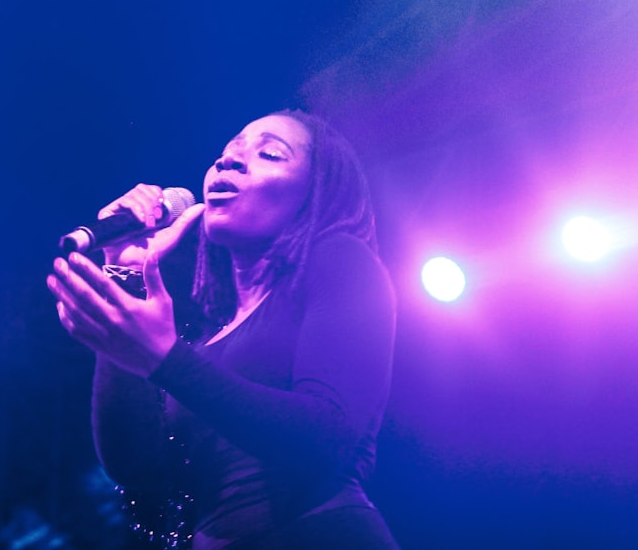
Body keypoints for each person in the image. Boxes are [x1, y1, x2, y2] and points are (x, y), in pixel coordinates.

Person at [47, 110, 399, 549]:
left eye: (269, 153)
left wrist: (165, 360)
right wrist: (125, 275)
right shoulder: (209, 333)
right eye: (224, 154)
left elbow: (326, 435)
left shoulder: (343, 259)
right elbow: (137, 469)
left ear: (314, 194)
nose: (227, 162)